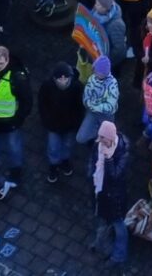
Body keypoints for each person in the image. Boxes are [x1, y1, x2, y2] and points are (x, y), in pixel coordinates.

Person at [0, 45, 32, 184]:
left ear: (7, 60)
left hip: (10, 121)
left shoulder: (17, 78)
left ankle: (16, 171)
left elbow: (27, 101)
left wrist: (18, 119)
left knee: (13, 146)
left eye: (1, 63)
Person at [90, 121, 130, 265]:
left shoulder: (121, 152)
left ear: (111, 138)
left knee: (118, 225)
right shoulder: (99, 145)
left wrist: (108, 159)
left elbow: (115, 175)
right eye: (99, 136)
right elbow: (93, 161)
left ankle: (119, 255)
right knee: (102, 219)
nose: (99, 140)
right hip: (101, 190)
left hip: (115, 195)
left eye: (102, 137)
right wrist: (92, 176)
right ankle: (101, 244)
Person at [37, 62, 85, 182]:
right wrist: (46, 119)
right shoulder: (47, 86)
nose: (63, 80)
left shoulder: (77, 87)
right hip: (53, 125)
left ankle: (64, 161)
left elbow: (80, 106)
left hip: (70, 125)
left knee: (68, 144)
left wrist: (77, 122)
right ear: (54, 78)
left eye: (66, 77)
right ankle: (53, 165)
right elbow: (42, 104)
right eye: (60, 78)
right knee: (53, 147)